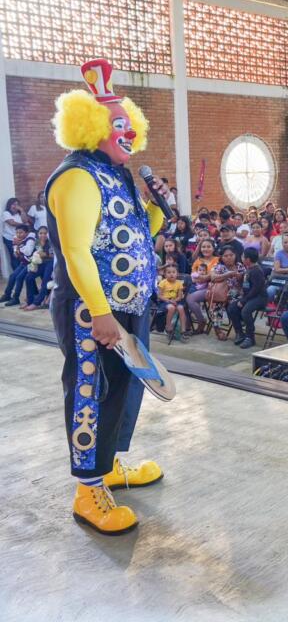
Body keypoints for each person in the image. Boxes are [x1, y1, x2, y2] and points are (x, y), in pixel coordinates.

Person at [46, 59, 169, 534]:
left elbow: (140, 235)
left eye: (129, 125)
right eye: (118, 126)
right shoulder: (77, 176)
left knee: (125, 387)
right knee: (90, 392)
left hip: (130, 307)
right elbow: (75, 250)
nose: (128, 134)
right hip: (91, 312)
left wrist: (157, 208)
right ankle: (87, 488)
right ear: (92, 127)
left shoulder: (118, 174)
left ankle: (111, 464)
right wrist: (100, 312)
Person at [226, 247, 267, 349]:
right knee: (231, 307)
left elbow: (255, 289)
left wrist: (244, 300)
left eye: (243, 256)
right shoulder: (248, 269)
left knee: (245, 311)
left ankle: (250, 337)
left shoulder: (257, 271)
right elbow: (245, 284)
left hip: (259, 298)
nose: (241, 258)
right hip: (249, 296)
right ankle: (239, 333)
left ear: (248, 260)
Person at [157, 264, 188, 343]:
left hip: (176, 300)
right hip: (165, 301)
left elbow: (180, 296)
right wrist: (168, 300)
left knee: (181, 308)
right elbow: (159, 296)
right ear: (165, 274)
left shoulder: (179, 283)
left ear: (177, 273)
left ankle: (183, 330)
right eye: (169, 272)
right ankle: (168, 326)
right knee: (171, 308)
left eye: (174, 272)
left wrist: (175, 300)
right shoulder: (163, 283)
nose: (171, 274)